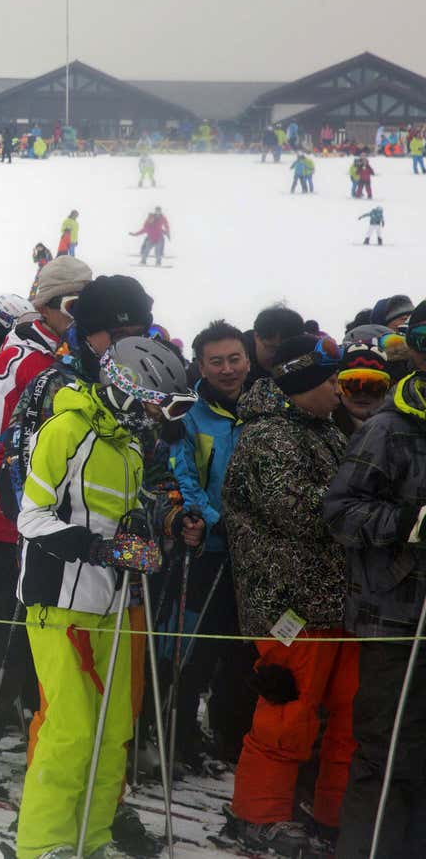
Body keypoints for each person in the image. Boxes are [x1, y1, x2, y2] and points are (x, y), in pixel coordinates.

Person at [14, 337, 193, 859]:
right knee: (70, 729)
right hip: (58, 600)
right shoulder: (65, 429)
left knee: (114, 731)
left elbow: (127, 516)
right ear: (130, 387)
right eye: (162, 403)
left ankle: (91, 840)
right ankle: (43, 844)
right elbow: (31, 517)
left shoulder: (130, 445)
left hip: (113, 605)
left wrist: (146, 539)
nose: (162, 417)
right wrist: (100, 547)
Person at [222, 334, 353, 856]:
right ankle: (259, 815)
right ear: (300, 385)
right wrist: (367, 503)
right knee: (287, 714)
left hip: (334, 599)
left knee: (346, 712)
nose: (338, 390)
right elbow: (297, 509)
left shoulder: (323, 430)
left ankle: (333, 812)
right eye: (328, 381)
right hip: (289, 604)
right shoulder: (269, 437)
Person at [0, 256, 93, 785]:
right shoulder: (16, 362)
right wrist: (29, 513)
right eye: (73, 306)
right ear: (45, 306)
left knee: (42, 642)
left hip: (63, 523)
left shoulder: (73, 355)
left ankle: (22, 739)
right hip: (15, 523)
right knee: (4, 642)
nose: (81, 316)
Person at [324, 301, 426, 859]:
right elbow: (340, 513)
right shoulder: (388, 429)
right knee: (387, 752)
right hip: (396, 616)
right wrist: (410, 523)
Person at [167, 321, 259, 767]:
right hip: (210, 548)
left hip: (255, 551)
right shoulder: (190, 413)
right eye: (216, 361)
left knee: (242, 649)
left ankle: (228, 732)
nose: (227, 369)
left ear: (248, 359)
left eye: (235, 359)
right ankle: (177, 733)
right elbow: (184, 475)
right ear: (200, 365)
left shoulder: (263, 407)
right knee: (194, 649)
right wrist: (214, 521)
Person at [334, 340, 391, 436]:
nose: (363, 393)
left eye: (374, 386)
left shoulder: (401, 429)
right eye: (353, 385)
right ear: (337, 386)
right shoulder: (321, 429)